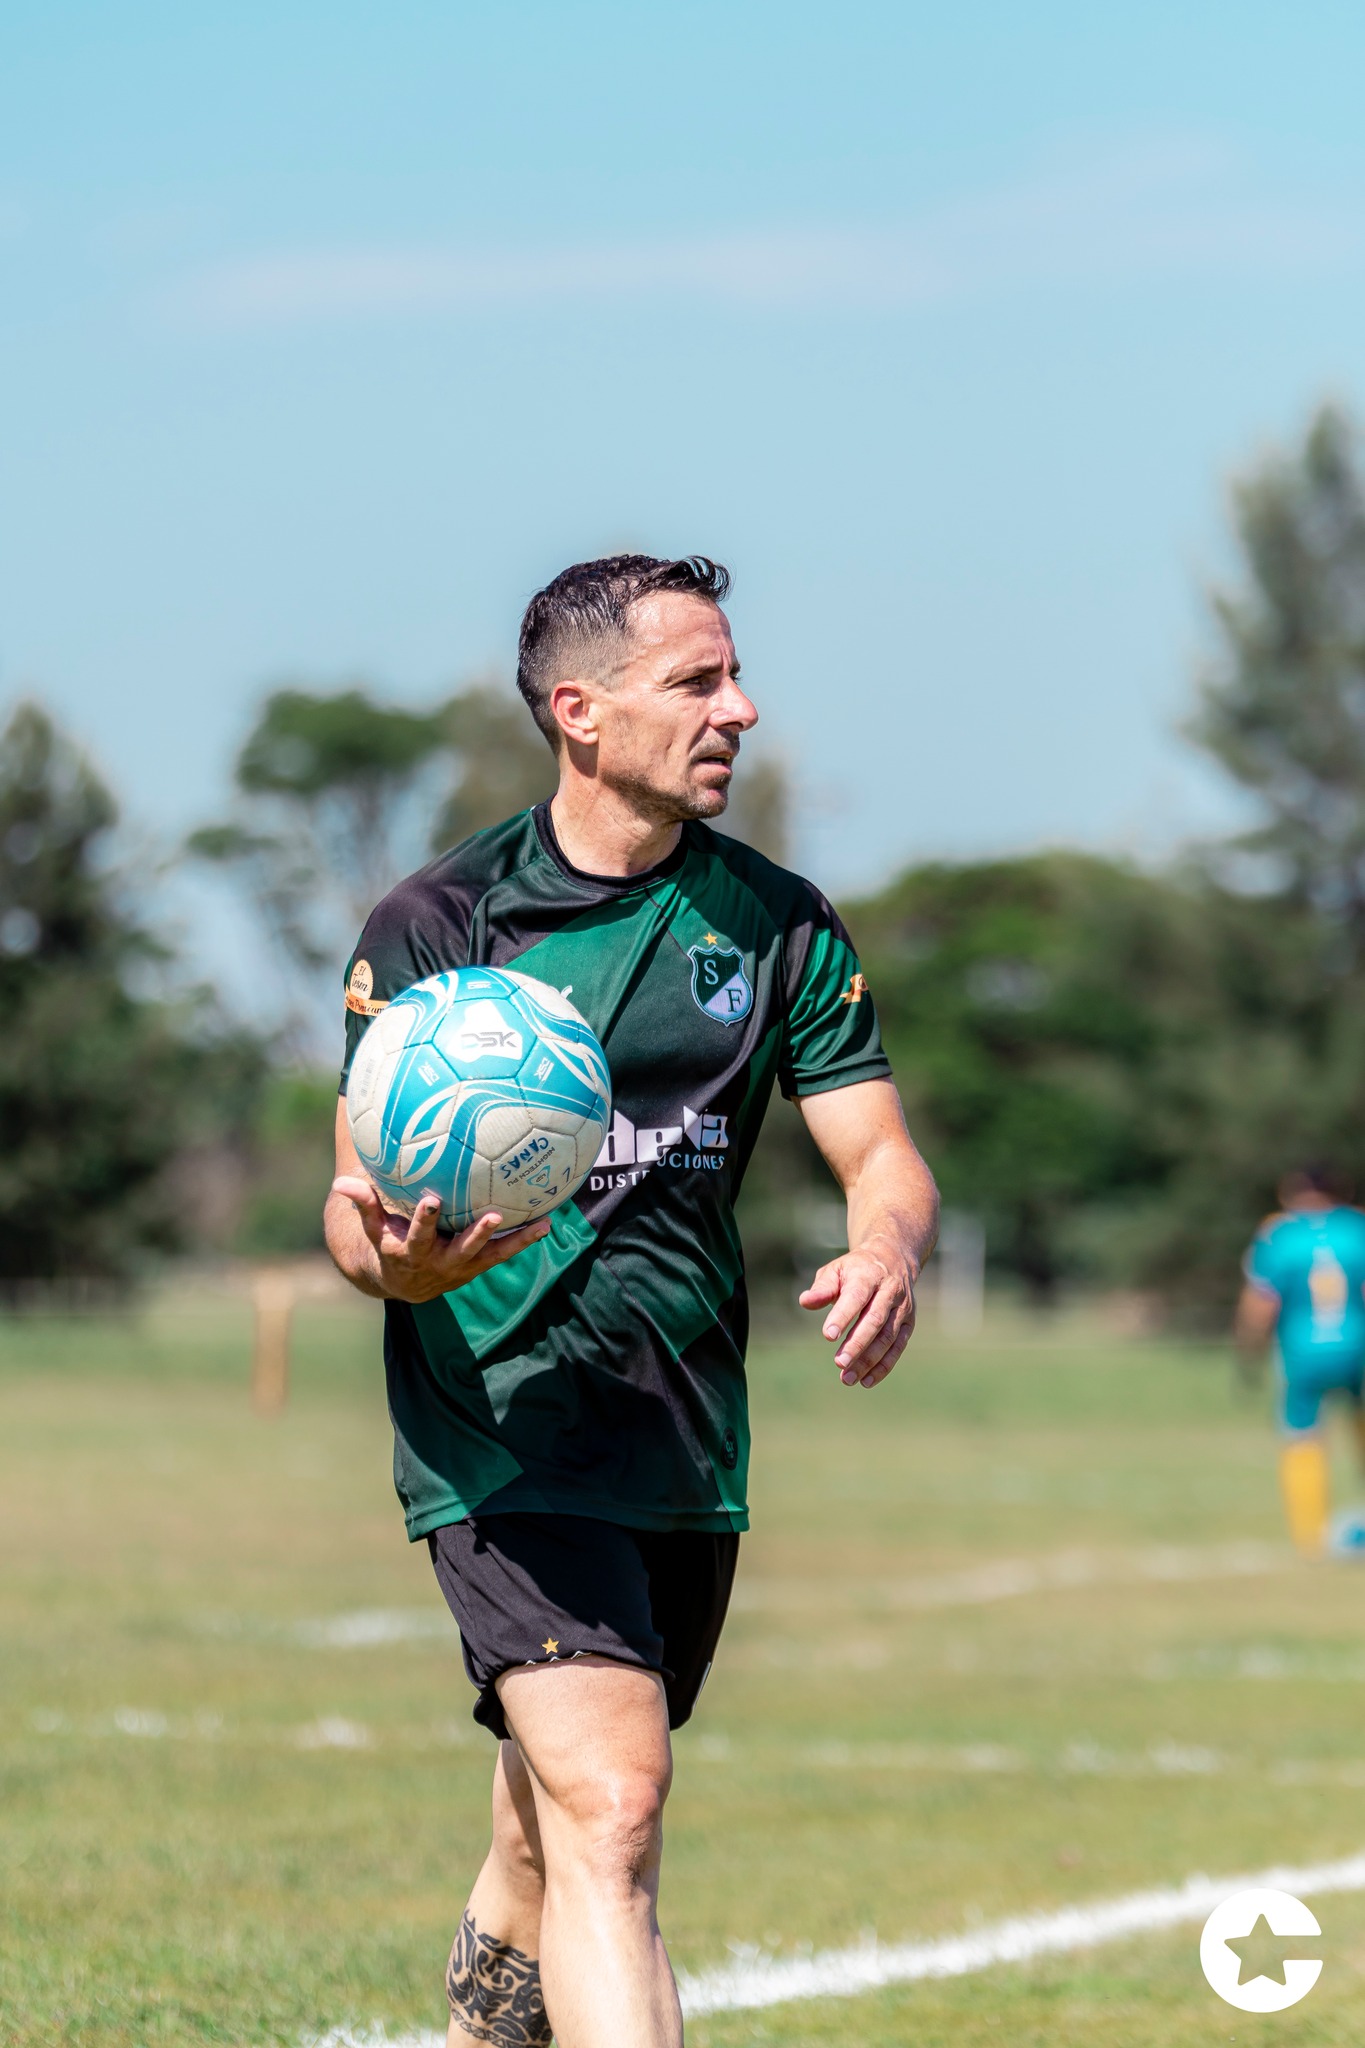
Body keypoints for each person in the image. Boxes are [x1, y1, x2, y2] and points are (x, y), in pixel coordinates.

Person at [324, 554, 938, 2048]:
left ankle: (483, 2030)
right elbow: (351, 1211)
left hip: (681, 1438)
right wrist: (404, 1267)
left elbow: (882, 1152)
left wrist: (889, 1247)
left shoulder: (779, 921)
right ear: (579, 714)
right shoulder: (439, 925)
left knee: (549, 1833)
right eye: (698, 681)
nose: (741, 707)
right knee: (614, 1804)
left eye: (733, 675)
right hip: (501, 1432)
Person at [1236, 1164, 1365, 1556]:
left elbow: (1261, 1303)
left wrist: (1249, 1351)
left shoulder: (1279, 1234)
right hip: (1358, 1346)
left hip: (1302, 1351)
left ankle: (1310, 1538)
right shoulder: (1357, 1227)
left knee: (1302, 1435)